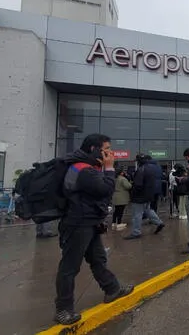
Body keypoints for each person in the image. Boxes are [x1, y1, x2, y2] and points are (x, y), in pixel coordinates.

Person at [55, 134, 133, 324]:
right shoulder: (83, 169)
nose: (110, 152)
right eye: (106, 148)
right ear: (93, 149)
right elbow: (105, 190)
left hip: (89, 222)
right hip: (77, 223)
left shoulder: (89, 167)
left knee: (98, 259)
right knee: (69, 267)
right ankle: (63, 309)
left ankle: (112, 289)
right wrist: (109, 168)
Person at [124, 154, 165, 239]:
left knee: (137, 214)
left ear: (138, 161)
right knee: (148, 210)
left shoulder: (141, 169)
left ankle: (136, 232)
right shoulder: (152, 168)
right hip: (148, 194)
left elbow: (138, 185)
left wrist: (132, 192)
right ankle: (159, 222)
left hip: (139, 196)